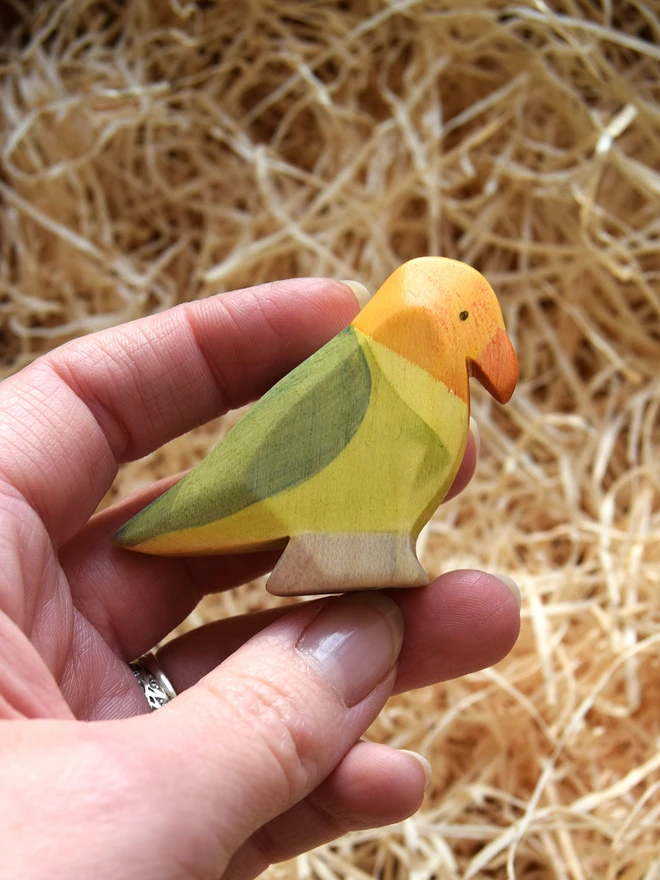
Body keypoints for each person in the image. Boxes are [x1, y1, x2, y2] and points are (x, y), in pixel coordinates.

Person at [0, 278, 520, 879]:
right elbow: (286, 457)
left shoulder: (433, 397)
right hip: (279, 500)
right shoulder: (362, 377)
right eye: (461, 317)